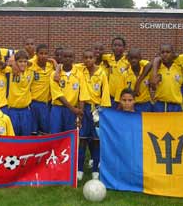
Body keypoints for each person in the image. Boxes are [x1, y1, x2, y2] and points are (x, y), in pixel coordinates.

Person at [77, 49, 110, 181]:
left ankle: (95, 169)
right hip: (83, 109)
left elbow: (105, 92)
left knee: (96, 141)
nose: (88, 60)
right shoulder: (80, 71)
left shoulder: (101, 73)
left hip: (96, 110)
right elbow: (63, 66)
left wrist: (102, 110)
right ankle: (79, 169)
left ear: (95, 59)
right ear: (83, 59)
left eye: (91, 57)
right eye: (86, 57)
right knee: (82, 140)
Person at [50, 48, 90, 133]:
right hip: (58, 109)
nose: (68, 58)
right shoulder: (54, 75)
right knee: (55, 134)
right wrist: (73, 109)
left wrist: (80, 113)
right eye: (65, 56)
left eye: (70, 56)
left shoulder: (79, 74)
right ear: (61, 58)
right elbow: (58, 95)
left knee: (70, 135)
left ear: (74, 58)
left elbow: (82, 95)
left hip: (73, 110)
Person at [29, 44, 55, 135]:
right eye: (41, 53)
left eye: (46, 53)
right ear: (37, 54)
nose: (43, 56)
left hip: (46, 104)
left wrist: (54, 62)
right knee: (33, 132)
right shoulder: (31, 65)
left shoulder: (50, 66)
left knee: (45, 131)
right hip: (33, 103)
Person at [6, 50, 34, 136]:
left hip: (26, 110)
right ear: (16, 62)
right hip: (12, 110)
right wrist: (12, 64)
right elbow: (1, 64)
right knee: (13, 136)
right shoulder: (9, 71)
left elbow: (34, 61)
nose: (23, 64)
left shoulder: (30, 71)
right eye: (20, 62)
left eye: (25, 62)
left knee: (26, 136)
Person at [151, 44, 183, 112]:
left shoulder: (179, 66)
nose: (165, 54)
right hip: (160, 105)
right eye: (162, 52)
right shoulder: (157, 68)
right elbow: (153, 86)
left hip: (176, 105)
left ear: (172, 53)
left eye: (168, 52)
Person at [103, 37, 129, 109]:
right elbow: (98, 56)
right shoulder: (109, 58)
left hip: (123, 97)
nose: (117, 47)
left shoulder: (128, 60)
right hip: (110, 96)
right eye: (115, 45)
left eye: (120, 45)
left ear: (124, 48)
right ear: (112, 47)